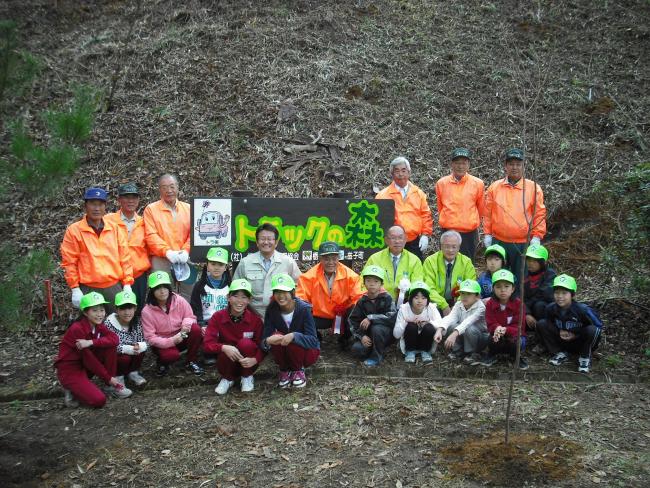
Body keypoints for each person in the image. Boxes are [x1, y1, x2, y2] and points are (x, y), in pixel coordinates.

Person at [60, 187, 134, 313]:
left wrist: (127, 283)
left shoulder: (114, 229)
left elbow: (125, 258)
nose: (97, 208)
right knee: (91, 328)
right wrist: (75, 288)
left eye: (100, 204)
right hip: (88, 288)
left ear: (105, 206)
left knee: (116, 324)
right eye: (93, 204)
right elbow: (69, 262)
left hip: (113, 286)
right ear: (85, 205)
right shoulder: (74, 231)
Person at [55, 292, 132, 408]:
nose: (99, 314)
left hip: (85, 366)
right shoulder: (77, 329)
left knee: (109, 345)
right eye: (94, 311)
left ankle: (110, 386)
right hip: (71, 370)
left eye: (101, 310)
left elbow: (114, 339)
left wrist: (91, 342)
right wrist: (108, 378)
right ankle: (71, 389)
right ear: (85, 312)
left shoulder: (97, 325)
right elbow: (89, 360)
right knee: (99, 400)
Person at [483, 148, 546, 275]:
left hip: (523, 243)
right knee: (499, 277)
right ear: (506, 166)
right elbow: (488, 213)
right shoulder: (495, 187)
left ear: (523, 166)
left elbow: (539, 214)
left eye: (518, 164)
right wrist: (487, 234)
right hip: (499, 241)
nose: (514, 167)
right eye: (511, 164)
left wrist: (537, 237)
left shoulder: (533, 188)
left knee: (522, 277)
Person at [295, 241, 363, 346]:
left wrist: (349, 309)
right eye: (326, 258)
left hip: (342, 316)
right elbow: (301, 299)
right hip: (319, 316)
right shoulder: (308, 277)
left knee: (356, 309)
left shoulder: (352, 276)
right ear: (320, 259)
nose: (330, 262)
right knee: (300, 312)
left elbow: (358, 298)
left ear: (338, 258)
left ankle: (346, 338)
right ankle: (314, 337)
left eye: (334, 258)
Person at [204, 279, 265, 395]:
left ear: (249, 300)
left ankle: (246, 377)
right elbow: (207, 344)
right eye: (236, 296)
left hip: (248, 363)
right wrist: (223, 347)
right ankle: (227, 379)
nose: (239, 301)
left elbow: (263, 345)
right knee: (227, 348)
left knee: (245, 343)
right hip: (226, 362)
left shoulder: (255, 320)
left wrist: (255, 359)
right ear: (228, 297)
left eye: (244, 297)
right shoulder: (217, 317)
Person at [262, 274, 320, 388]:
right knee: (276, 336)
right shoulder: (271, 309)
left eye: (285, 292)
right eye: (277, 292)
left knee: (292, 339)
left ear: (292, 292)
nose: (280, 296)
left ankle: (298, 371)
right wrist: (268, 340)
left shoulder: (304, 309)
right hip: (284, 353)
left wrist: (294, 336)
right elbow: (264, 338)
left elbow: (313, 340)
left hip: (306, 353)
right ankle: (284, 370)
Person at [141, 271, 204, 376]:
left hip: (181, 335)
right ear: (152, 291)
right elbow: (150, 337)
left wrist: (185, 328)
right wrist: (171, 341)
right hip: (163, 342)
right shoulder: (147, 311)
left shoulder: (179, 300)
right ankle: (162, 363)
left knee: (196, 330)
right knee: (171, 356)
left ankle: (191, 361)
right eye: (158, 288)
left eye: (165, 287)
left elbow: (190, 316)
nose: (162, 291)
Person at [232, 223, 301, 318]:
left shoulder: (287, 262)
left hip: (281, 312)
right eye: (262, 239)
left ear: (276, 242)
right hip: (252, 313)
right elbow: (236, 289)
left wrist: (290, 308)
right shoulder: (245, 262)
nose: (266, 242)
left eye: (269, 239)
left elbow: (300, 287)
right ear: (257, 242)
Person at [537, 274, 603, 373]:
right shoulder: (551, 308)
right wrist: (559, 330)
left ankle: (584, 357)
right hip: (562, 341)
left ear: (572, 294)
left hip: (580, 342)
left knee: (593, 330)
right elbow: (549, 323)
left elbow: (598, 327)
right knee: (541, 323)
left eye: (564, 293)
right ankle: (559, 353)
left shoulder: (582, 310)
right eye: (557, 293)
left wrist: (576, 335)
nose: (560, 296)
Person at [143, 174, 192, 300]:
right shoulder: (151, 209)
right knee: (163, 295)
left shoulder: (188, 208)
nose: (169, 191)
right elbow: (151, 235)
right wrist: (167, 252)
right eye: (164, 187)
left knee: (187, 293)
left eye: (172, 186)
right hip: (162, 258)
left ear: (178, 187)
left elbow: (194, 233)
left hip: (185, 257)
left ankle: (187, 318)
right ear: (159, 189)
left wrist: (186, 250)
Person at [105, 183, 150, 313]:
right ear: (119, 200)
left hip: (138, 275)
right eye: (126, 197)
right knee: (115, 311)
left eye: (134, 197)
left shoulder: (144, 222)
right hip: (115, 275)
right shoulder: (108, 220)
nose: (130, 201)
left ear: (138, 200)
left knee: (136, 310)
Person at [376, 156, 433, 260]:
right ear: (392, 174)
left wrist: (425, 235)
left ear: (409, 172)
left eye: (403, 170)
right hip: (392, 242)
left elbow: (426, 215)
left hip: (413, 240)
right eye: (396, 171)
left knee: (415, 270)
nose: (400, 174)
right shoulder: (382, 195)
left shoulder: (418, 193)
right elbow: (378, 220)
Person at [435, 148, 485, 261]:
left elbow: (480, 208)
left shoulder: (478, 184)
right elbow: (440, 206)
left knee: (466, 264)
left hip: (469, 234)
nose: (460, 166)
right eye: (457, 163)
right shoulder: (441, 183)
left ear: (468, 165)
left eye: (463, 163)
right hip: (447, 231)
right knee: (446, 263)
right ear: (451, 164)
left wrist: (470, 221)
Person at [478, 269, 528, 370]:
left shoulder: (519, 304)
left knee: (518, 342)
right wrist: (496, 329)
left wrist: (505, 330)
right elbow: (490, 323)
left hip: (513, 336)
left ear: (513, 289)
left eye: (506, 286)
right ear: (493, 289)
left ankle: (516, 357)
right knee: (491, 339)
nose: (503, 290)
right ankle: (492, 354)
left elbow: (520, 328)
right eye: (498, 287)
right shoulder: (490, 304)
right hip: (497, 335)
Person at [190, 247, 232, 365]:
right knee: (207, 342)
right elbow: (195, 308)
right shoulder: (199, 286)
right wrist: (201, 324)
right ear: (207, 265)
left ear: (226, 267)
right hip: (206, 325)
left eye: (220, 264)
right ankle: (207, 353)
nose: (216, 267)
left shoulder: (231, 286)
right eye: (213, 264)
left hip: (225, 324)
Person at [348, 266, 397, 367]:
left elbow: (392, 316)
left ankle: (376, 357)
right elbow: (353, 321)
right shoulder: (362, 300)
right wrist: (362, 336)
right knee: (357, 350)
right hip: (368, 334)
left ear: (381, 284)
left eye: (376, 281)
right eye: (368, 281)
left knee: (377, 328)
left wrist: (371, 318)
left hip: (385, 333)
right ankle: (373, 349)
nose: (372, 284)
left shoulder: (387, 298)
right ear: (364, 283)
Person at [364, 225, 423, 307]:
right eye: (393, 238)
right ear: (386, 240)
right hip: (378, 303)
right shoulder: (375, 258)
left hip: (406, 305)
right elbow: (363, 284)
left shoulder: (414, 260)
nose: (397, 241)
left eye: (400, 237)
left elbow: (417, 285)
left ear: (405, 239)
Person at [422, 231, 477, 316]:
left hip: (459, 303)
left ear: (459, 247)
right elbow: (428, 288)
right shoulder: (430, 261)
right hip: (435, 303)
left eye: (454, 247)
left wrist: (457, 305)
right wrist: (444, 305)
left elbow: (470, 286)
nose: (450, 250)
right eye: (447, 246)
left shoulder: (466, 262)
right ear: (441, 246)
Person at [433, 279, 487, 364]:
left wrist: (454, 334)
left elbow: (468, 321)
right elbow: (450, 317)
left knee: (469, 328)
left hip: (479, 338)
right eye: (462, 293)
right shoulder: (459, 304)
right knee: (452, 325)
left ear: (477, 296)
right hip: (464, 334)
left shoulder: (481, 307)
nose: (464, 296)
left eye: (469, 294)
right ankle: (457, 352)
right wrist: (439, 330)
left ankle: (471, 354)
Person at [104, 290, 147, 387]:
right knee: (124, 359)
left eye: (130, 308)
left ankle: (133, 373)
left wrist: (139, 346)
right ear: (117, 309)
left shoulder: (137, 321)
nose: (127, 312)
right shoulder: (109, 323)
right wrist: (126, 349)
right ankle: (118, 377)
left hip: (133, 351)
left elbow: (144, 339)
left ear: (135, 308)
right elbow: (108, 345)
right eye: (123, 309)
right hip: (116, 356)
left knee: (141, 351)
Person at [393, 281, 442, 364]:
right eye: (416, 298)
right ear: (410, 299)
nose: (420, 301)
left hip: (426, 341)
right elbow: (396, 334)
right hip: (409, 341)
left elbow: (442, 328)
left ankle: (425, 351)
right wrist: (406, 322)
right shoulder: (404, 309)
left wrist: (427, 322)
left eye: (423, 298)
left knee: (429, 327)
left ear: (427, 299)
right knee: (411, 326)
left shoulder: (431, 308)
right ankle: (410, 352)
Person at [522, 244, 556, 335]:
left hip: (546, 310)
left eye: (534, 261)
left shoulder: (550, 274)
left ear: (542, 262)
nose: (530, 263)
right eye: (528, 260)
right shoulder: (524, 276)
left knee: (539, 305)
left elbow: (545, 294)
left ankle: (544, 332)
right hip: (529, 309)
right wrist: (527, 314)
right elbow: (521, 297)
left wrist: (527, 306)